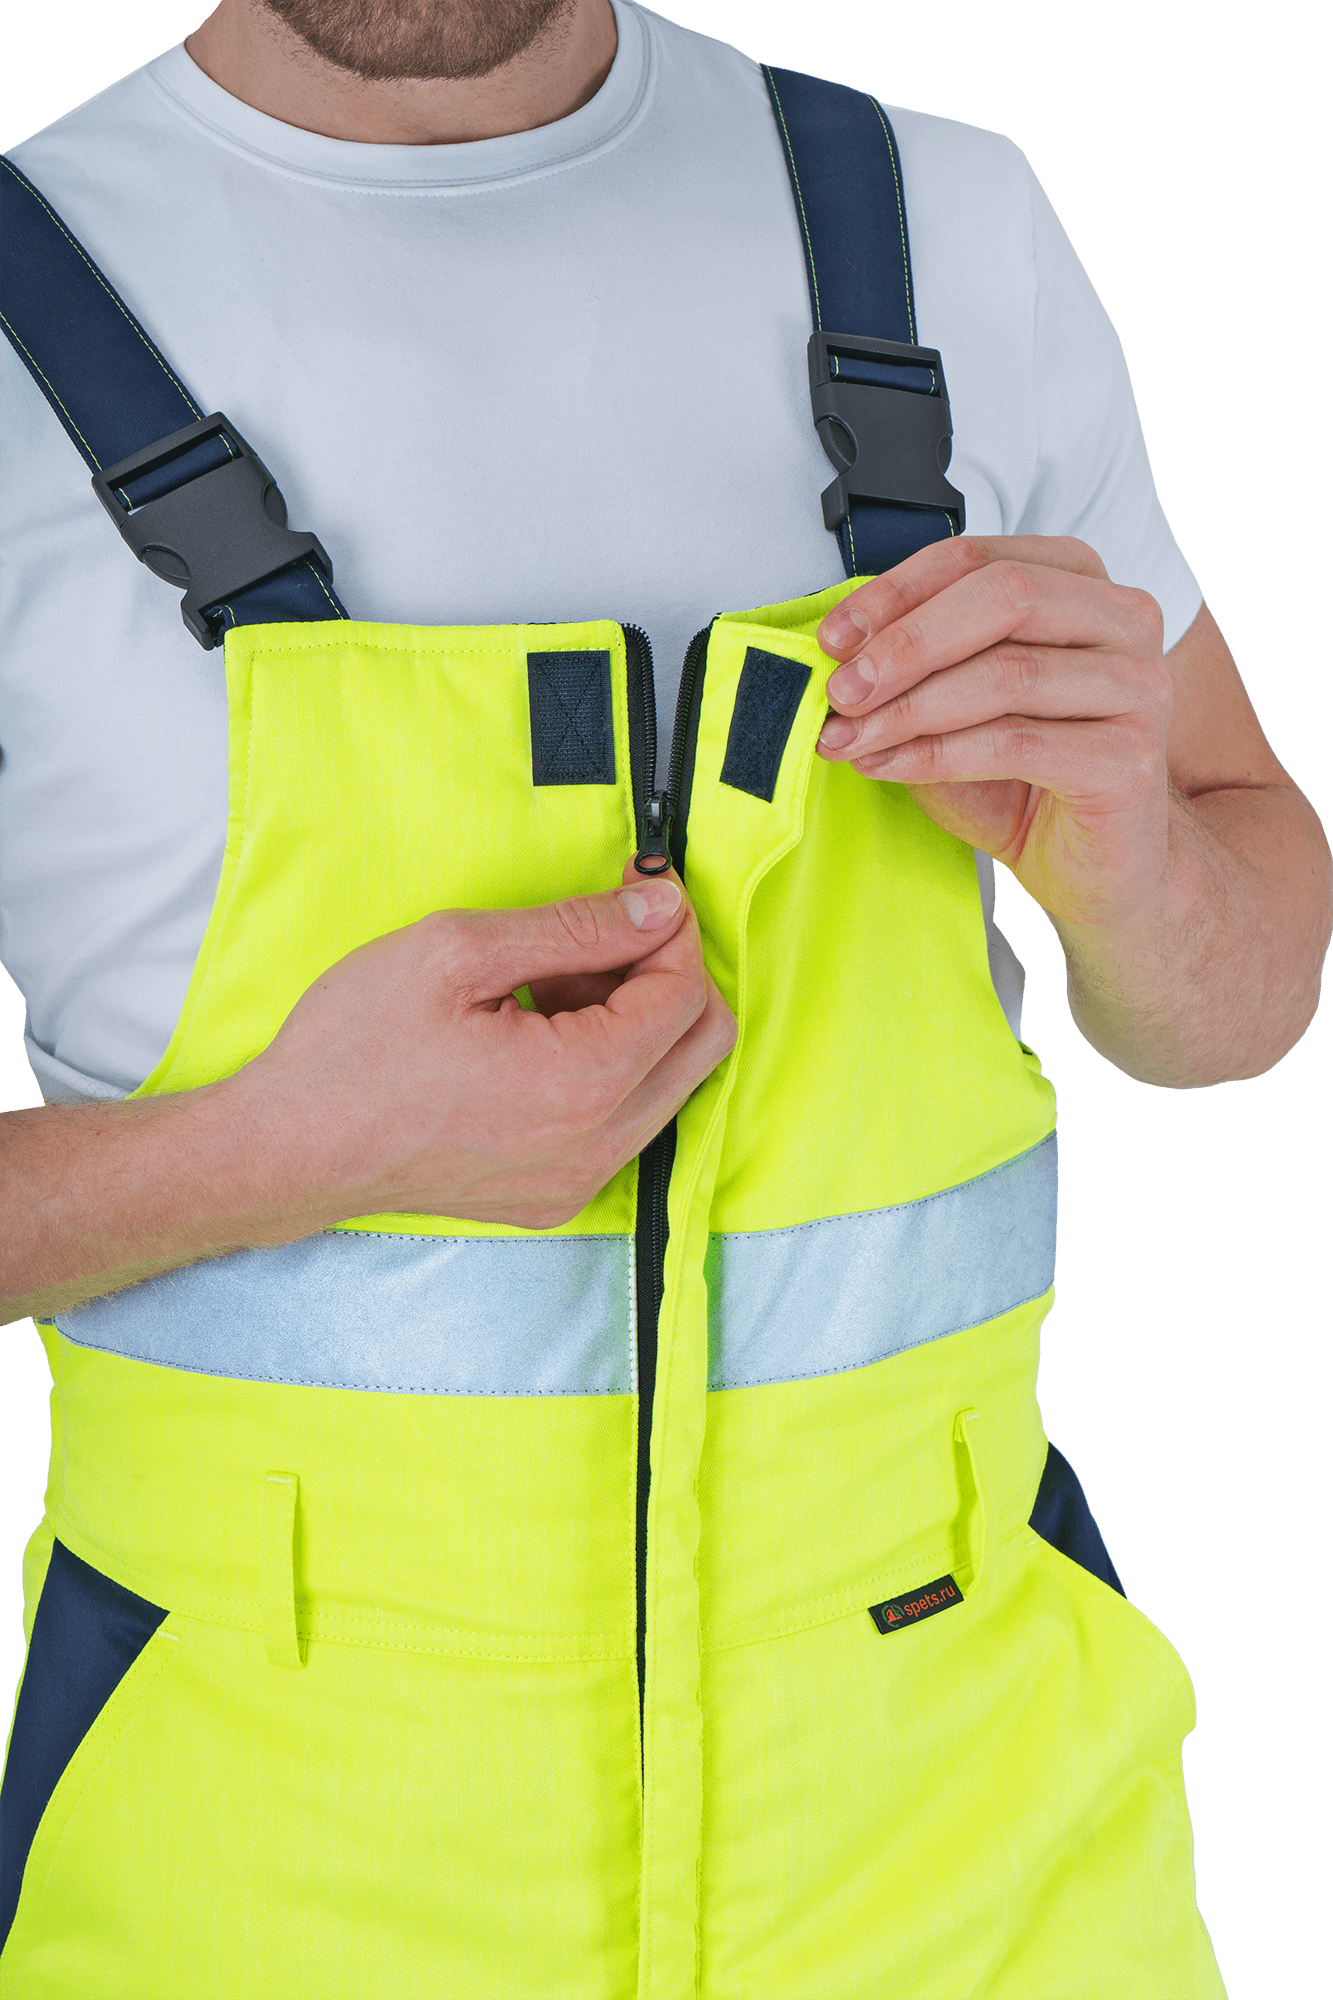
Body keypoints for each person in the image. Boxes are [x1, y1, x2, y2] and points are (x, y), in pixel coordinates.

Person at [0, 2, 1327, 1994]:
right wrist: (296, 1149)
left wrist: (1136, 870)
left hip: (987, 1869)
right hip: (265, 1889)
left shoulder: (943, 217)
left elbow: (1243, 995)